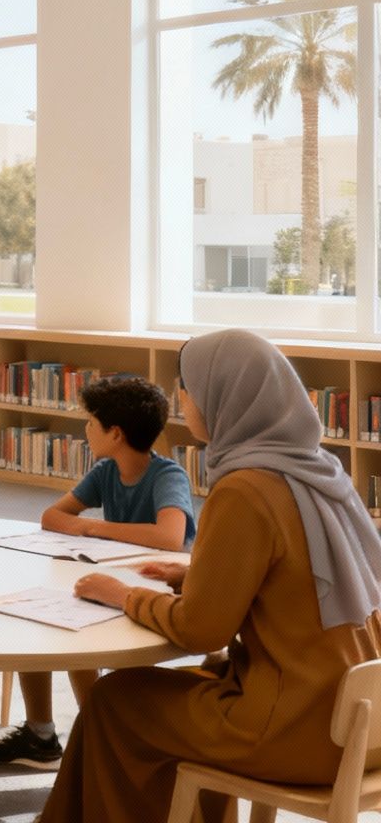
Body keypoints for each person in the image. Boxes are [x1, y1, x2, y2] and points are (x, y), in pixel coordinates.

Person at [40, 329, 381, 822]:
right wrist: (194, 577)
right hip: (361, 722)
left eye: (189, 387)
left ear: (226, 397)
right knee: (173, 692)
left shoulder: (244, 489)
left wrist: (124, 595)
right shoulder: (321, 472)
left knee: (115, 700)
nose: (182, 399)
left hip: (297, 727)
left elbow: (202, 631)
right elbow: (298, 579)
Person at [0, 375, 195, 768]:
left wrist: (93, 527)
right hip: (111, 580)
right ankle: (42, 733)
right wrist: (84, 526)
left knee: (77, 624)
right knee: (38, 612)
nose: (85, 429)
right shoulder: (106, 471)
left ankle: (96, 730)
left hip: (151, 588)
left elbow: (170, 536)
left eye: (91, 422)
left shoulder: (167, 476)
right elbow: (52, 517)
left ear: (115, 433)